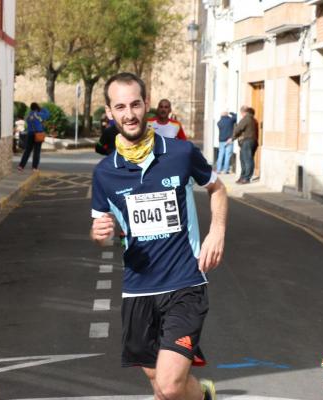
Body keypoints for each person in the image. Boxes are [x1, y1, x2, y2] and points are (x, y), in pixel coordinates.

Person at [90, 72, 227, 400]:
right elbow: (101, 231)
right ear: (109, 112)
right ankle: (203, 396)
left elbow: (217, 188)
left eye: (135, 104)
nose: (129, 114)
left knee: (167, 385)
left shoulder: (179, 153)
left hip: (185, 284)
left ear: (146, 105)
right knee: (160, 382)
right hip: (138, 290)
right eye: (120, 106)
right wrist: (100, 233)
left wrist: (217, 231)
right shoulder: (104, 173)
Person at [18, 102, 50, 171]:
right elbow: (47, 114)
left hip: (30, 134)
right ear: (36, 107)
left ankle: (21, 166)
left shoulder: (28, 116)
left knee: (27, 151)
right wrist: (42, 108)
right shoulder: (39, 114)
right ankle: (34, 167)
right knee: (36, 151)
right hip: (38, 134)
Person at [233, 106, 259, 184]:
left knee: (246, 160)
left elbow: (238, 129)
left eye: (241, 113)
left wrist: (233, 137)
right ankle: (243, 177)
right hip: (253, 141)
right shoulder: (254, 120)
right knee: (246, 159)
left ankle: (246, 178)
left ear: (244, 112)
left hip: (247, 141)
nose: (241, 114)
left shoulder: (246, 119)